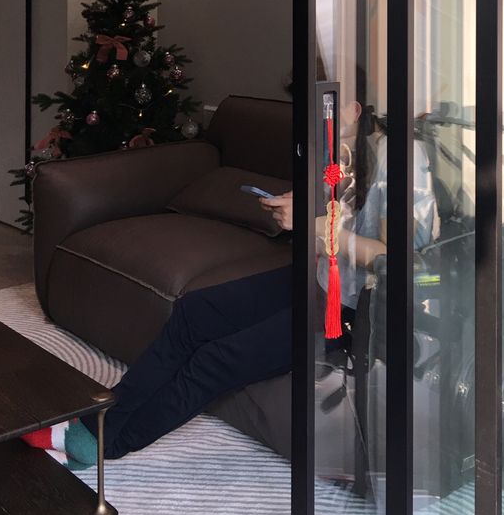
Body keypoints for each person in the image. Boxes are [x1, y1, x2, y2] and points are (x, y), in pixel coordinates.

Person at [22, 101, 438, 468]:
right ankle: (104, 419)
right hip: (320, 279)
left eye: (320, 106)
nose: (310, 119)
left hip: (353, 309)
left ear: (355, 108)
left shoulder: (400, 159)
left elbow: (395, 259)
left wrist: (316, 226)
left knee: (215, 360)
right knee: (194, 311)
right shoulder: (351, 149)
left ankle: (109, 444)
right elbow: (345, 215)